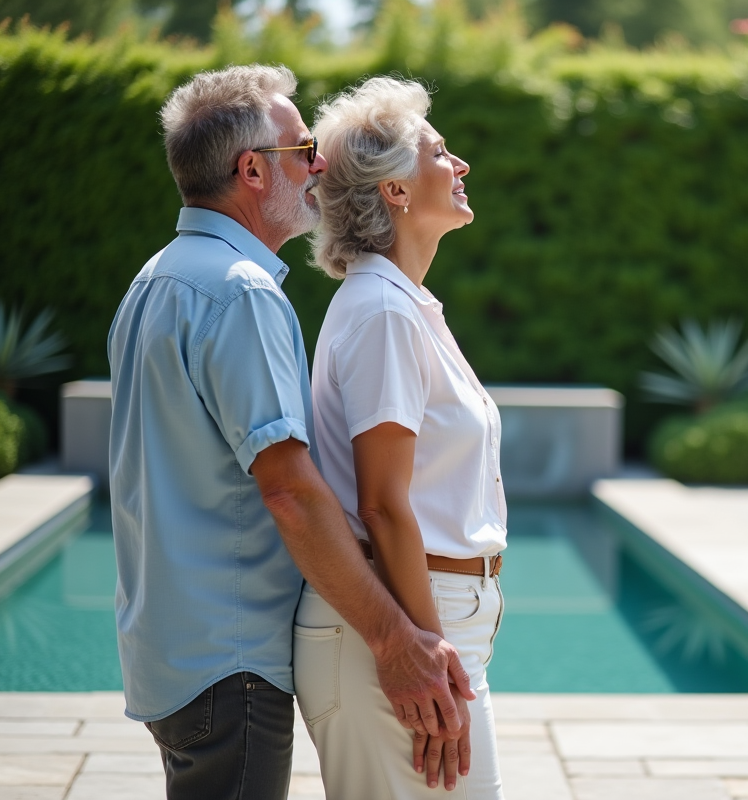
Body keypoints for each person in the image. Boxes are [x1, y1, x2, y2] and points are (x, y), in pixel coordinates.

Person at [107, 64, 474, 800]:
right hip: (230, 658)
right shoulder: (241, 293)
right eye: (303, 149)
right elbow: (290, 494)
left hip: (167, 649)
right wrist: (394, 639)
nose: (318, 166)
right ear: (250, 170)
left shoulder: (155, 279)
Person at [292, 75, 507, 798]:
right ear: (394, 191)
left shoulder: (401, 305)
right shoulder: (383, 312)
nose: (462, 165)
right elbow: (383, 504)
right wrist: (421, 651)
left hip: (429, 629)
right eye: (441, 152)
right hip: (403, 634)